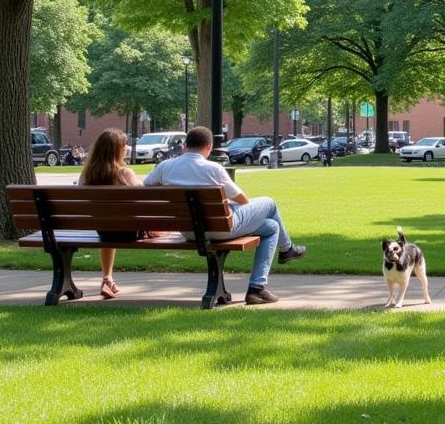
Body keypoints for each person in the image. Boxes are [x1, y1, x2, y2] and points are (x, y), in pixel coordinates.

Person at [144, 126, 306, 305]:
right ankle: (287, 249)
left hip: (188, 231)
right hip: (221, 229)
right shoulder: (213, 168)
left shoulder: (165, 166)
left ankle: (257, 288)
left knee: (271, 227)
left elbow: (147, 187)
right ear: (209, 146)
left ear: (186, 145)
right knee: (269, 203)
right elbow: (243, 200)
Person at [78, 128, 143, 300]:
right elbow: (143, 201)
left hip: (104, 230)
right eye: (125, 145)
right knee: (158, 229)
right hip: (130, 233)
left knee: (109, 224)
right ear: (117, 150)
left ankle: (107, 278)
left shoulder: (87, 176)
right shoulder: (125, 174)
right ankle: (107, 279)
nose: (127, 148)